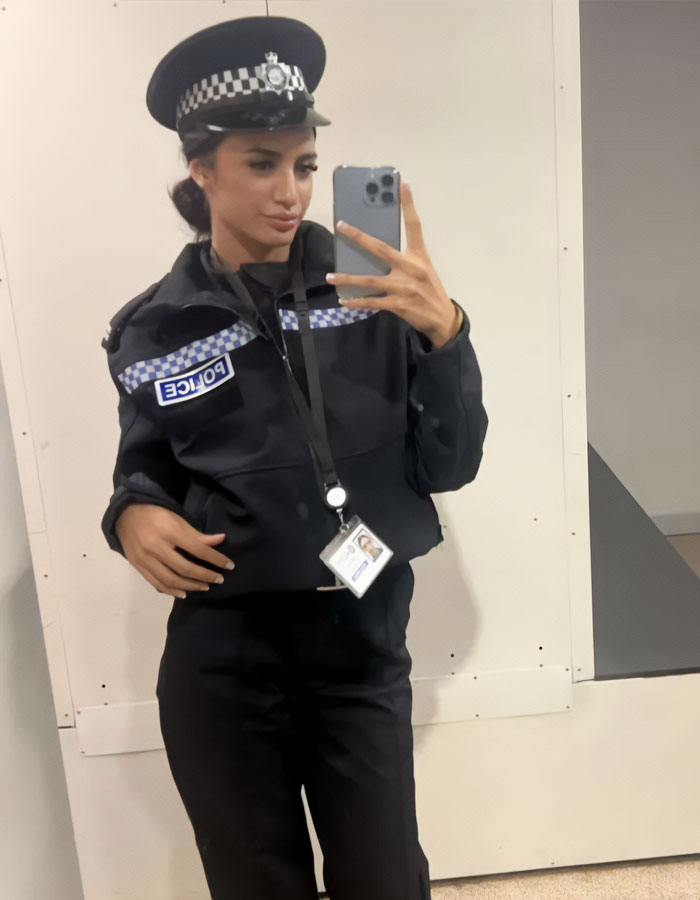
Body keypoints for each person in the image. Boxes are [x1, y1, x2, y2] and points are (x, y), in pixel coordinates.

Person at [100, 14, 488, 900]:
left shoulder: (375, 286)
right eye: (261, 163)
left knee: (384, 880)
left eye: (305, 164)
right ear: (201, 170)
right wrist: (130, 512)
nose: (293, 193)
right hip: (223, 649)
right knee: (255, 883)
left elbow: (453, 464)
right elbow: (147, 463)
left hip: (358, 633)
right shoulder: (153, 326)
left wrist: (446, 336)